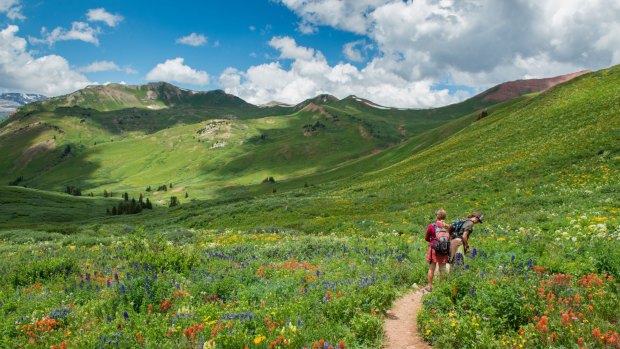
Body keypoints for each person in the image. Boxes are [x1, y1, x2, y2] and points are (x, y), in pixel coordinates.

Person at [424, 209, 450, 292]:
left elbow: (427, 238)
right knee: (442, 268)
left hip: (434, 249)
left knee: (432, 268)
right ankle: (441, 287)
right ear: (445, 217)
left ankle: (429, 286)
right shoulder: (448, 227)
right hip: (444, 250)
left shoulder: (432, 226)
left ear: (436, 216)